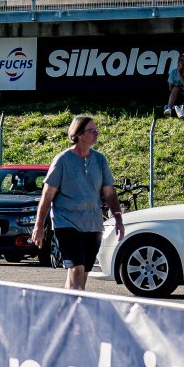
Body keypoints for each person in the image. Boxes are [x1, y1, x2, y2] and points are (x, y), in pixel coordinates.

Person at [29, 115, 124, 292]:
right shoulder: (62, 160)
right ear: (79, 134)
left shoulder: (99, 159)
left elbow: (109, 193)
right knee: (77, 269)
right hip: (67, 223)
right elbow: (47, 196)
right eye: (91, 130)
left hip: (92, 224)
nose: (97, 133)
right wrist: (39, 226)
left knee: (83, 272)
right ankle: (76, 311)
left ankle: (68, 305)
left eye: (96, 130)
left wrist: (118, 218)